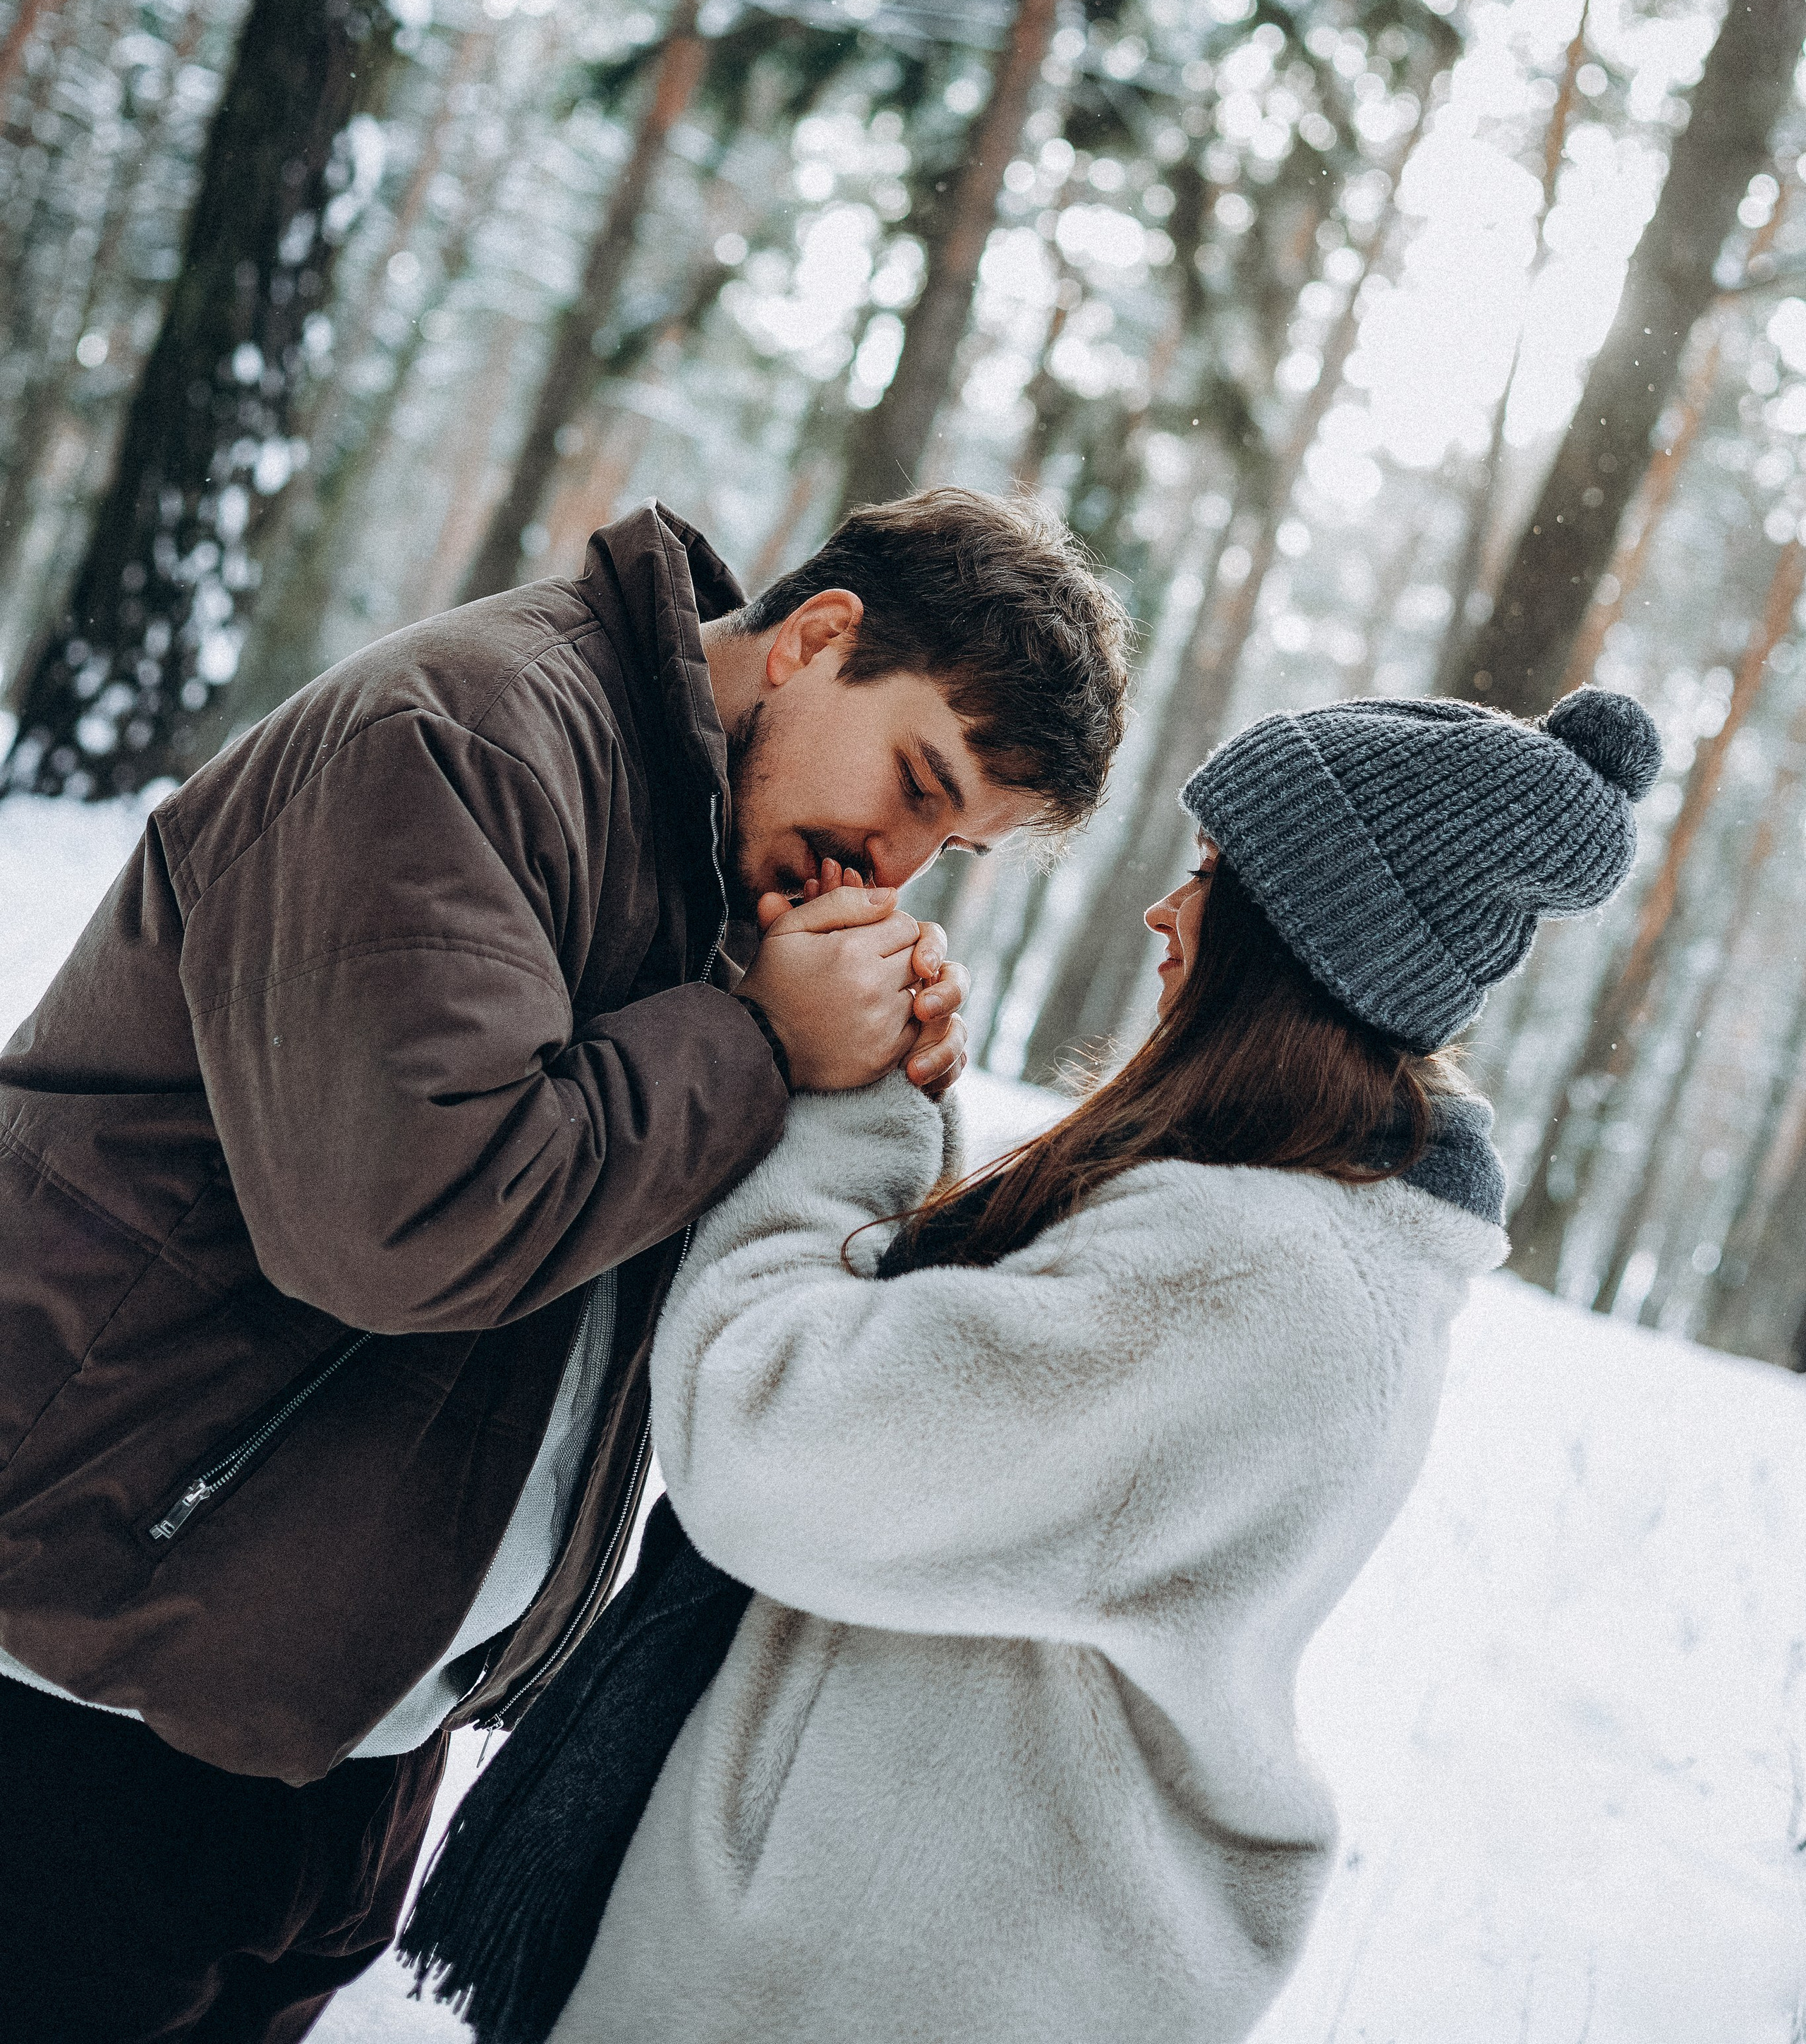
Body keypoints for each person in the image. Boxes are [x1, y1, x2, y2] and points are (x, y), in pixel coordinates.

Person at [0, 488, 1131, 2043]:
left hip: (337, 1723)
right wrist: (754, 1038)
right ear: (815, 639)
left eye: (953, 848)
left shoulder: (711, 853)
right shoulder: (462, 739)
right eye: (914, 785)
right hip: (85, 1679)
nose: (898, 862)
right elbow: (402, 1218)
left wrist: (864, 1084)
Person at [547, 684, 1661, 2044]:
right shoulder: (1308, 1242)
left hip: (871, 1969)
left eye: (1210, 876)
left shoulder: (1247, 1275)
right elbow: (978, 1407)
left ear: (1294, 937)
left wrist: (842, 1107)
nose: (1166, 911)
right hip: (953, 1944)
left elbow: (771, 1440)